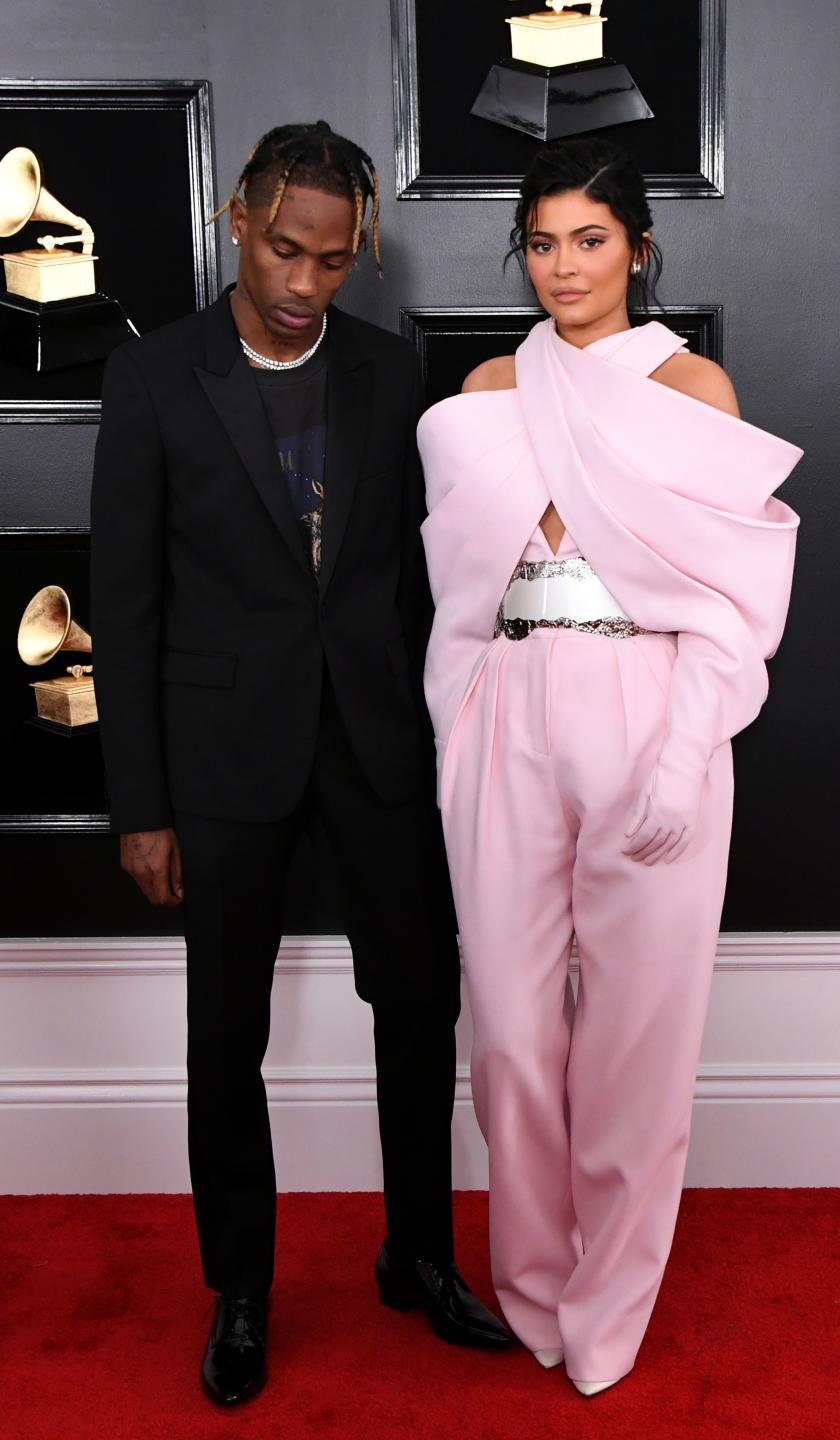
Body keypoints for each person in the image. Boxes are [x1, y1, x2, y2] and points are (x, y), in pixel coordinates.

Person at [90, 119, 509, 1409]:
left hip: (378, 740)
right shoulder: (157, 377)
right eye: (284, 250)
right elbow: (129, 598)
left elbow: (426, 583)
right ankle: (244, 1290)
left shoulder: (396, 376)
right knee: (228, 1032)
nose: (302, 282)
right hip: (221, 754)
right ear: (238, 219)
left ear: (356, 253)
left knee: (420, 1005)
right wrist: (141, 805)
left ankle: (419, 1256)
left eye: (332, 262)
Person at [417, 137, 802, 1396]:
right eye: (541, 242)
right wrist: (459, 729)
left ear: (640, 248)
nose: (563, 267)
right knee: (515, 1041)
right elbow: (459, 594)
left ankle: (610, 1307)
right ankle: (531, 1286)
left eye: (590, 240)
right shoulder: (488, 385)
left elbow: (732, 604)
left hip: (650, 706)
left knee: (638, 1043)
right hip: (509, 707)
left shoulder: (694, 388)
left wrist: (684, 759)